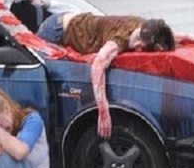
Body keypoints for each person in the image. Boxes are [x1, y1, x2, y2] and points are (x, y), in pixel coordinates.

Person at [36, 12, 175, 138]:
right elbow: (97, 68)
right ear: (140, 30)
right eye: (138, 38)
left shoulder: (146, 27)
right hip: (57, 29)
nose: (136, 43)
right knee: (38, 75)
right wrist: (103, 112)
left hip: (74, 20)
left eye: (141, 46)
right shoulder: (119, 40)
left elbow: (171, 35)